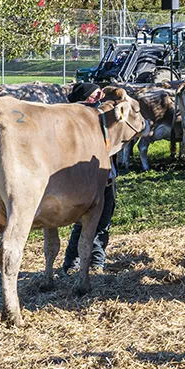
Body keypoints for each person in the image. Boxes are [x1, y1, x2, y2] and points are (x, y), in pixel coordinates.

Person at [61, 82, 117, 275]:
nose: (100, 98)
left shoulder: (101, 118)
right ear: (85, 99)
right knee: (84, 224)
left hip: (107, 176)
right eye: (96, 95)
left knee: (103, 223)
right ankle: (72, 264)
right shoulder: (78, 120)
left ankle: (96, 264)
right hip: (86, 179)